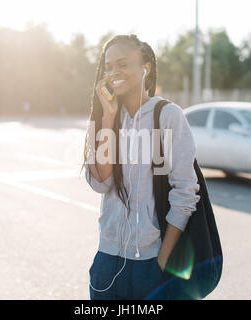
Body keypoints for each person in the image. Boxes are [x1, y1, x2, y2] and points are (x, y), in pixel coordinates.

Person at [81, 34, 201, 300]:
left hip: (151, 263)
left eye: (122, 64)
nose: (114, 73)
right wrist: (109, 116)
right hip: (107, 260)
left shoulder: (167, 116)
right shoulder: (102, 118)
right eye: (109, 66)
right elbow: (102, 182)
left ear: (145, 66)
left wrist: (162, 259)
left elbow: (184, 192)